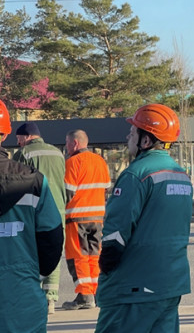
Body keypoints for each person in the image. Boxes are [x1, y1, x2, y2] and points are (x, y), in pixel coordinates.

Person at [95, 104, 194, 332]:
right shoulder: (181, 176)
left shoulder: (135, 175)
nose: (128, 136)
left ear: (146, 141)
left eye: (133, 132)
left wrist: (107, 269)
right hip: (170, 284)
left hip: (134, 286)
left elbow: (116, 234)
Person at [0, 100, 63, 332]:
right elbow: (52, 237)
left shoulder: (26, 156)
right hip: (23, 299)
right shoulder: (35, 180)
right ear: (5, 134)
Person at [12, 121, 67, 314]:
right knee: (54, 250)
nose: (18, 143)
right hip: (58, 208)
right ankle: (51, 299)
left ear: (27, 137)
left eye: (19, 139)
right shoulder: (58, 153)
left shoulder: (24, 154)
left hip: (34, 209)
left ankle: (33, 296)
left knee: (32, 252)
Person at [61, 129, 111, 310]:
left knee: (78, 257)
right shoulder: (100, 161)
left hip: (77, 218)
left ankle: (84, 295)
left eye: (67, 143)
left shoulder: (73, 162)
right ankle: (96, 292)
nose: (66, 147)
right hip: (97, 218)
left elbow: (67, 193)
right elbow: (106, 187)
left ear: (74, 143)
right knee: (94, 256)